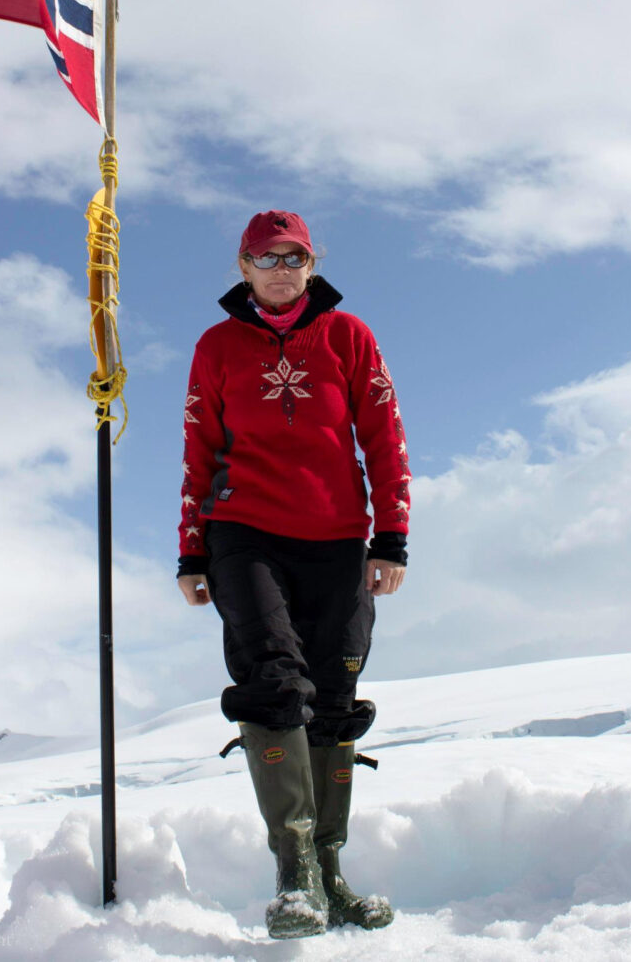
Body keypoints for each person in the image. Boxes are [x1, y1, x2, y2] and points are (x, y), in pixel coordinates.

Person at [177, 210, 410, 939]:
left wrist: (391, 535)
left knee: (334, 696)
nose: (280, 266)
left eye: (294, 255)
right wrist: (192, 548)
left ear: (312, 263)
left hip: (337, 537)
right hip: (244, 536)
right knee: (275, 681)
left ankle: (332, 875)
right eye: (264, 255)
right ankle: (295, 877)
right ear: (243, 266)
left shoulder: (350, 336)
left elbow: (383, 434)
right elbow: (199, 446)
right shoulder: (216, 346)